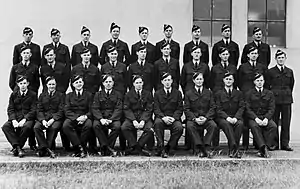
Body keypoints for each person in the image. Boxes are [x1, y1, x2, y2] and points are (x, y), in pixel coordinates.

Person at [238, 46, 267, 149]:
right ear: (248, 55)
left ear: (258, 55)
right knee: (246, 119)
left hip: (257, 97)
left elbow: (265, 81)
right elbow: (239, 81)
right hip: (246, 95)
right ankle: (245, 144)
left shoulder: (262, 67)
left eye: (255, 53)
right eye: (252, 53)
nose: (254, 55)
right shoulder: (243, 67)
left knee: (256, 117)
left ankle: (257, 143)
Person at [266, 49, 295, 151]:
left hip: (287, 100)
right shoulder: (270, 71)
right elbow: (268, 86)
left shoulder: (289, 71)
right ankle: (274, 143)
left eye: (282, 58)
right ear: (275, 59)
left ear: (285, 58)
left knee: (286, 122)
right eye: (279, 58)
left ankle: (285, 144)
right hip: (275, 100)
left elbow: (291, 85)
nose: (281, 59)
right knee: (274, 122)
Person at [2, 75, 37, 158]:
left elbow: (34, 110)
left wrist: (25, 119)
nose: (23, 85)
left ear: (28, 83)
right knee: (5, 126)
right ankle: (18, 147)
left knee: (27, 127)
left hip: (28, 118)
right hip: (16, 118)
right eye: (21, 83)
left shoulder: (33, 95)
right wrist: (13, 120)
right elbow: (10, 109)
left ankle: (17, 148)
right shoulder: (13, 95)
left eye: (24, 83)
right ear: (18, 84)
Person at [184, 72, 217, 158]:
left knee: (213, 125)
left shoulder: (209, 92)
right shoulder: (188, 93)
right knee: (189, 125)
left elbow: (213, 107)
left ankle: (206, 147)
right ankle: (199, 148)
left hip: (206, 118)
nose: (199, 81)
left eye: (201, 79)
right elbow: (187, 109)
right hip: (194, 119)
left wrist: (206, 118)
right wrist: (195, 119)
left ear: (203, 80)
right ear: (193, 81)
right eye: (197, 79)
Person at [245, 73, 277, 158]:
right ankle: (263, 148)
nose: (260, 82)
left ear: (264, 81)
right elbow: (248, 109)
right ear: (254, 82)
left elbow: (272, 108)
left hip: (265, 117)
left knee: (273, 126)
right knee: (254, 126)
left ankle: (263, 148)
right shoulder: (249, 93)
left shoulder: (269, 93)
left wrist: (266, 118)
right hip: (254, 117)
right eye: (258, 81)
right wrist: (256, 118)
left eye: (261, 80)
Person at [214, 72, 245, 158]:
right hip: (223, 118)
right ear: (223, 80)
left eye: (230, 79)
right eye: (227, 79)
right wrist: (227, 117)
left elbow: (242, 107)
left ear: (233, 80)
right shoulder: (218, 93)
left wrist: (236, 117)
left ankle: (234, 148)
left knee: (240, 124)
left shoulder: (239, 93)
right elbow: (218, 109)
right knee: (226, 124)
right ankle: (234, 148)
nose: (228, 81)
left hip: (235, 116)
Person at [121, 75, 153, 156]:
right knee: (124, 127)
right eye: (137, 83)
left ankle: (138, 146)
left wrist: (143, 120)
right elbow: (127, 109)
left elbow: (149, 109)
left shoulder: (148, 94)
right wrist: (133, 120)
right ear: (133, 84)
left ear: (143, 83)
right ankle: (134, 145)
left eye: (140, 82)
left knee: (150, 129)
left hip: (144, 117)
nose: (139, 84)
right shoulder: (128, 94)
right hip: (132, 117)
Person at [63, 75, 93, 158]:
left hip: (85, 117)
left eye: (80, 82)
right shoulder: (69, 95)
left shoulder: (89, 95)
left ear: (83, 83)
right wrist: (77, 118)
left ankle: (80, 148)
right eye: (76, 82)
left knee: (88, 125)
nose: (79, 84)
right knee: (66, 125)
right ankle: (80, 147)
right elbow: (67, 110)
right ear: (73, 84)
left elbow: (91, 110)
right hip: (73, 117)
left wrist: (85, 117)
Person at [153, 73, 183, 158]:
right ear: (162, 82)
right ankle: (161, 147)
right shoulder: (157, 93)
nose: (167, 82)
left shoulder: (177, 93)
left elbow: (180, 108)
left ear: (172, 81)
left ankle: (168, 147)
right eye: (165, 80)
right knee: (157, 124)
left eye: (169, 80)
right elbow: (156, 108)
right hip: (161, 117)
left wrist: (174, 118)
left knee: (179, 128)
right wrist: (163, 117)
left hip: (173, 118)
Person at [92, 75, 122, 156]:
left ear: (113, 83)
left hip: (112, 118)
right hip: (101, 118)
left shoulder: (118, 94)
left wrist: (111, 119)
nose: (108, 84)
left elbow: (118, 108)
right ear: (103, 83)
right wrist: (101, 119)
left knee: (117, 126)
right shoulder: (98, 94)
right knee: (95, 125)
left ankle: (105, 148)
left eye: (110, 82)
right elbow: (95, 108)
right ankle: (107, 148)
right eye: (106, 82)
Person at [34, 76, 64, 158]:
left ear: (56, 85)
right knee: (36, 127)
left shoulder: (61, 95)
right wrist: (43, 120)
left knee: (53, 128)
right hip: (44, 118)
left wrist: (53, 119)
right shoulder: (42, 96)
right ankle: (46, 148)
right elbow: (39, 110)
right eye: (50, 84)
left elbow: (61, 110)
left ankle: (43, 149)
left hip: (56, 119)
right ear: (46, 85)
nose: (51, 86)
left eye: (53, 84)